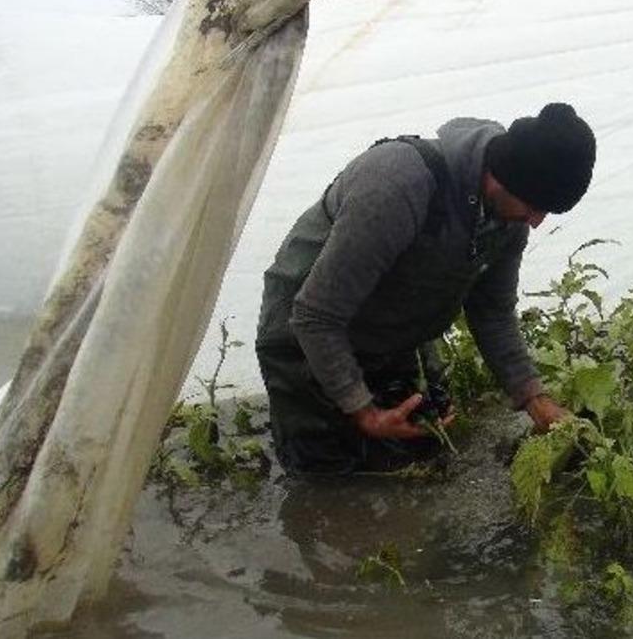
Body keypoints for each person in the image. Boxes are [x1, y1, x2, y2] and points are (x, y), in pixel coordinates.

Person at [255, 103, 597, 474]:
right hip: (305, 337)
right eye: (534, 206)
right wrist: (364, 411)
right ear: (505, 177)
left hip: (391, 332)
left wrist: (535, 399)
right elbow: (315, 315)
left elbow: (493, 312)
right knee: (331, 479)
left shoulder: (507, 218)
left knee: (424, 457)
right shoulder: (397, 183)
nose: (536, 222)